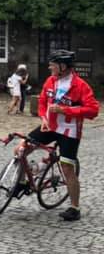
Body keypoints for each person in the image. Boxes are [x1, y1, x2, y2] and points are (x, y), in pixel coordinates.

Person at [31, 49, 100, 221]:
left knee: (67, 168)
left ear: (63, 66)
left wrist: (65, 110)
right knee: (22, 147)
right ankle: (24, 181)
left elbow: (93, 110)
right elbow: (42, 102)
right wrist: (43, 117)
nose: (49, 67)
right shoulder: (50, 81)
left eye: (52, 65)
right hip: (50, 126)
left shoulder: (81, 86)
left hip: (69, 130)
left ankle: (74, 208)